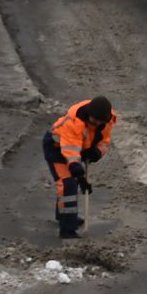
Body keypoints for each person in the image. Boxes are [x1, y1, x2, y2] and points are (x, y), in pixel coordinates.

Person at [44, 96, 115, 239]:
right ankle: (67, 230)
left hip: (78, 149)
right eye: (93, 119)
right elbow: (70, 149)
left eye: (99, 121)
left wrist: (96, 152)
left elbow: (105, 142)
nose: (95, 123)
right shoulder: (74, 122)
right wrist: (76, 167)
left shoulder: (107, 121)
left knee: (71, 183)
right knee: (67, 184)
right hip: (56, 148)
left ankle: (65, 216)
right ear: (89, 113)